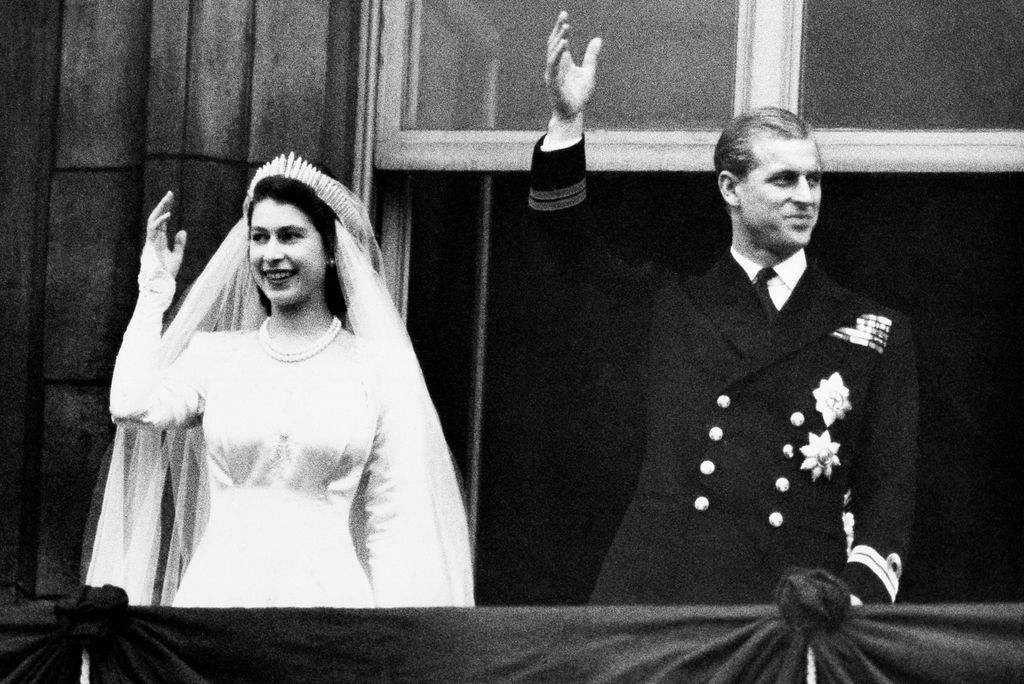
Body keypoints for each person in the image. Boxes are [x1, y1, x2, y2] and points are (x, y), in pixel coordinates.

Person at [528, 12, 918, 604]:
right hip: (666, 603)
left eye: (814, 180)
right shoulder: (670, 305)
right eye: (784, 180)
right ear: (730, 190)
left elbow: (888, 494)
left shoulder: (872, 332)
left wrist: (851, 602)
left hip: (792, 609)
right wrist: (566, 122)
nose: (806, 197)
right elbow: (569, 258)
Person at [86, 153, 474, 607]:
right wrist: (153, 292)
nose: (272, 254)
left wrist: (386, 641)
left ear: (331, 249)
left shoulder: (378, 370)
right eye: (260, 238)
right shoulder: (217, 357)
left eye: (291, 236)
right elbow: (130, 404)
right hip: (217, 603)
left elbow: (394, 518)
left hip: (328, 613)